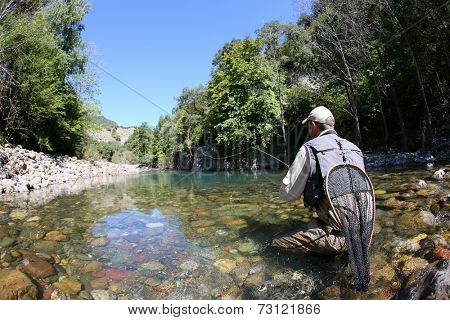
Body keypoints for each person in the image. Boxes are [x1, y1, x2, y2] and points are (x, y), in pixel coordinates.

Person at [272, 106, 366, 254]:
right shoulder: (354, 148)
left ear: (314, 125)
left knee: (277, 243)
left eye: (309, 125)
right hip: (366, 230)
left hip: (342, 238)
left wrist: (301, 189)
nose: (309, 129)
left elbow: (287, 194)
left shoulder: (309, 148)